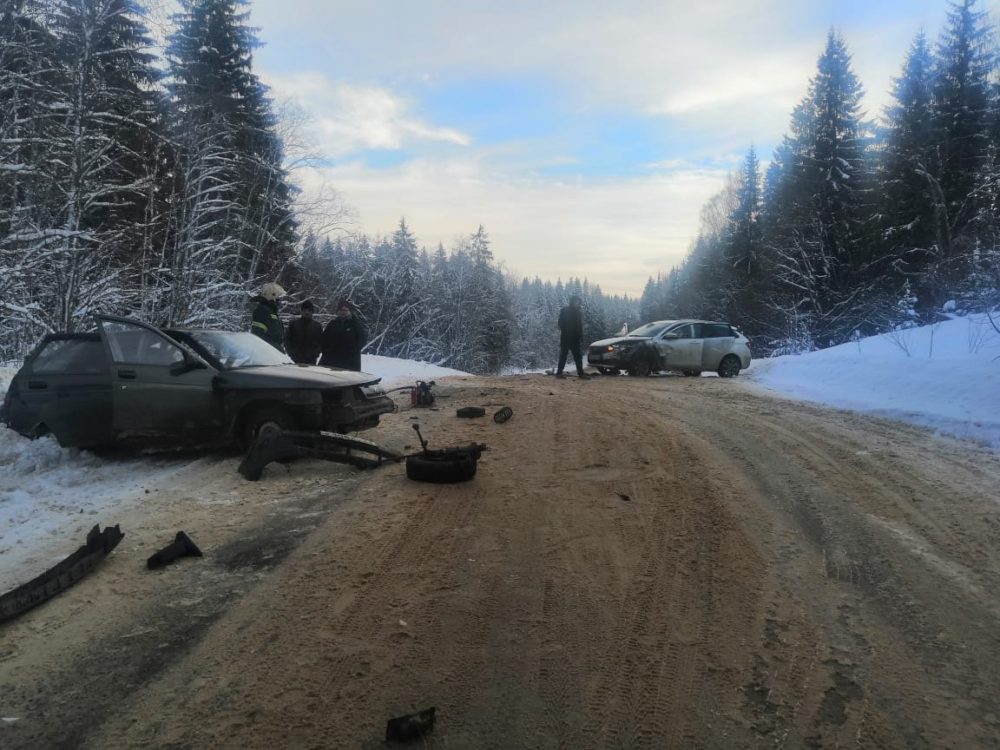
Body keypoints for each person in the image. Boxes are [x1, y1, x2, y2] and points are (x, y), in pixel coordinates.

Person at [320, 299, 366, 371]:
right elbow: (323, 339)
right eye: (341, 310)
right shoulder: (332, 324)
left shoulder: (355, 325)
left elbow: (362, 340)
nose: (343, 312)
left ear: (349, 311)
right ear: (338, 311)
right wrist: (325, 351)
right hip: (331, 360)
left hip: (349, 361)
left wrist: (353, 352)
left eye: (345, 310)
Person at [556, 295, 589, 379]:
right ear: (572, 302)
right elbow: (560, 323)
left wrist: (581, 336)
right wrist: (566, 331)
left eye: (578, 301)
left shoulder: (578, 312)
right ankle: (559, 373)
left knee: (578, 356)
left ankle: (581, 374)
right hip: (566, 338)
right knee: (563, 355)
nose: (577, 303)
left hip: (575, 338)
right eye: (575, 301)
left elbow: (579, 326)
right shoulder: (564, 310)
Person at [284, 300, 324, 364]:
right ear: (301, 311)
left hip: (311, 361)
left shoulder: (317, 326)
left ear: (312, 312)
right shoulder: (293, 324)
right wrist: (292, 353)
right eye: (305, 310)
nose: (307, 312)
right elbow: (287, 340)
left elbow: (321, 343)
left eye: (309, 310)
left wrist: (315, 355)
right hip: (294, 360)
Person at [250, 282, 285, 351]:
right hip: (266, 354)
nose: (279, 300)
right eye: (278, 297)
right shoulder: (262, 311)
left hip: (273, 353)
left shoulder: (271, 312)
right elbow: (257, 335)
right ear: (272, 296)